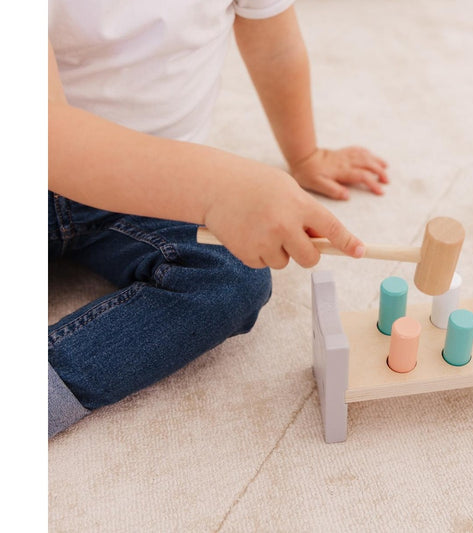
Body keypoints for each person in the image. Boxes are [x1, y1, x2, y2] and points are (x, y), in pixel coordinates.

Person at [48, 0, 388, 438]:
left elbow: (275, 48)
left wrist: (304, 154)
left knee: (235, 273)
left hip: (154, 192)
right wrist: (215, 190)